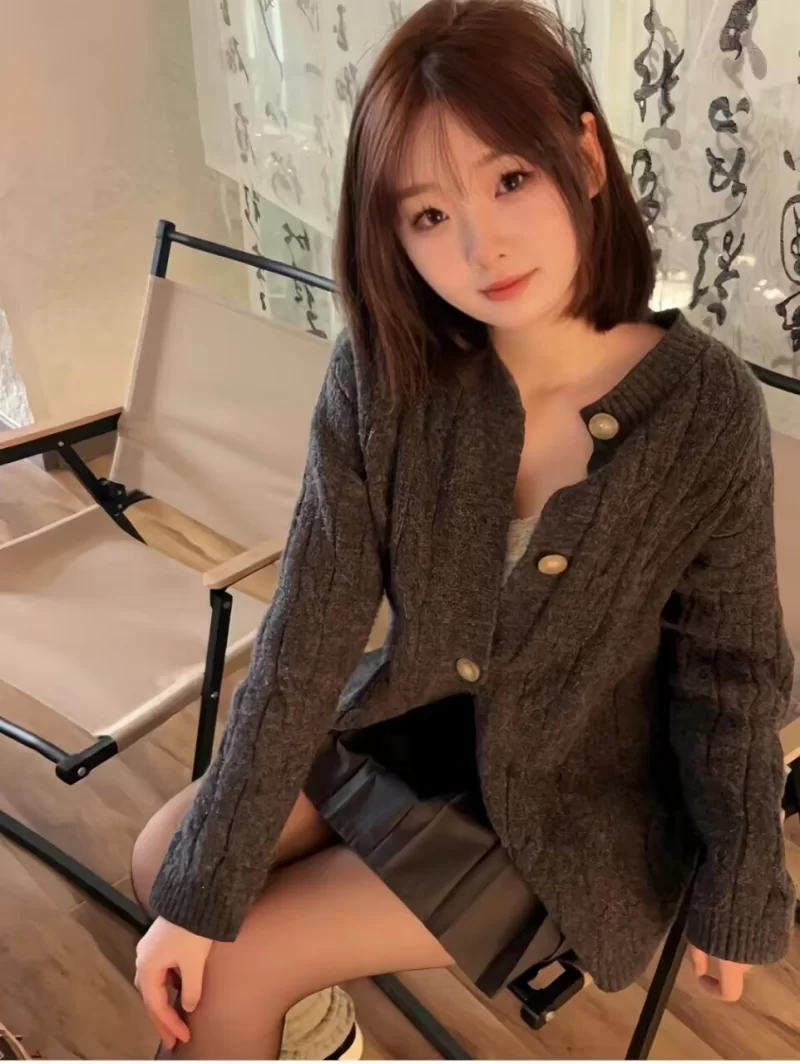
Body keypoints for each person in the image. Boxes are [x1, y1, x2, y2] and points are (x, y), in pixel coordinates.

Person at [131, 0, 796, 1057]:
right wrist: (199, 889)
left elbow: (732, 672)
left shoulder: (702, 409)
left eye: (510, 179)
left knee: (234, 968)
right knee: (168, 861)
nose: (482, 246)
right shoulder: (385, 376)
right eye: (429, 215)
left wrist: (742, 882)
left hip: (578, 800)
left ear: (584, 158)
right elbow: (306, 635)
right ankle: (313, 1038)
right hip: (414, 728)